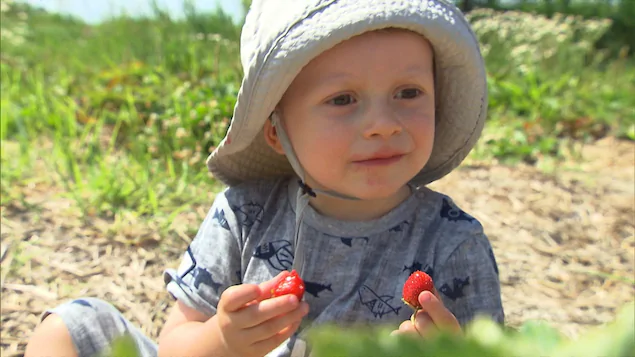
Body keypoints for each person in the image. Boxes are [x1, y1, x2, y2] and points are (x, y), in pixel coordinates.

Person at [25, 0, 504, 356]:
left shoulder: (454, 243)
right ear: (277, 131)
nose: (383, 123)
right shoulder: (245, 213)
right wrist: (221, 339)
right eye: (343, 99)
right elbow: (175, 342)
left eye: (408, 91)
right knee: (72, 327)